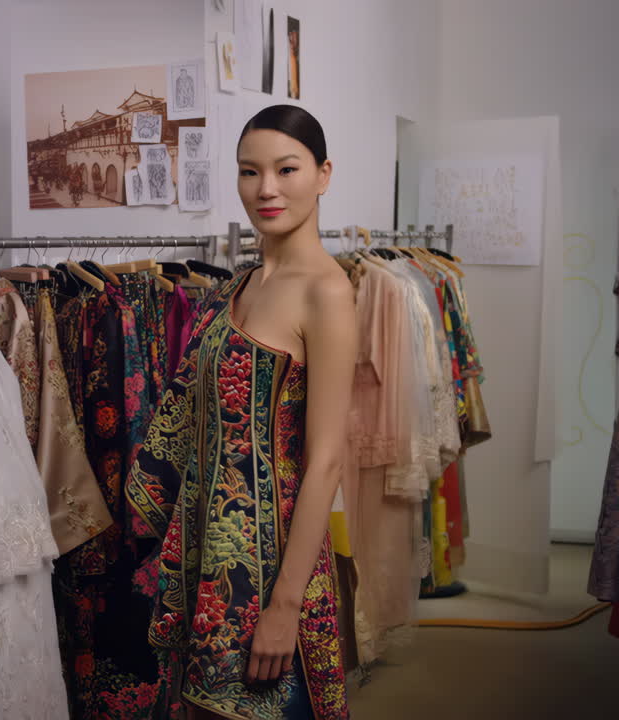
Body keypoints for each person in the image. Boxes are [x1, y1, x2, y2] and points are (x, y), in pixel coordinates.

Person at [127, 105, 354, 719]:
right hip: (210, 555)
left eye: (287, 169)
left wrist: (285, 606)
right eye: (250, 172)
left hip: (276, 563)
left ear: (323, 174)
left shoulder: (328, 291)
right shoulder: (237, 284)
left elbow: (326, 460)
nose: (267, 188)